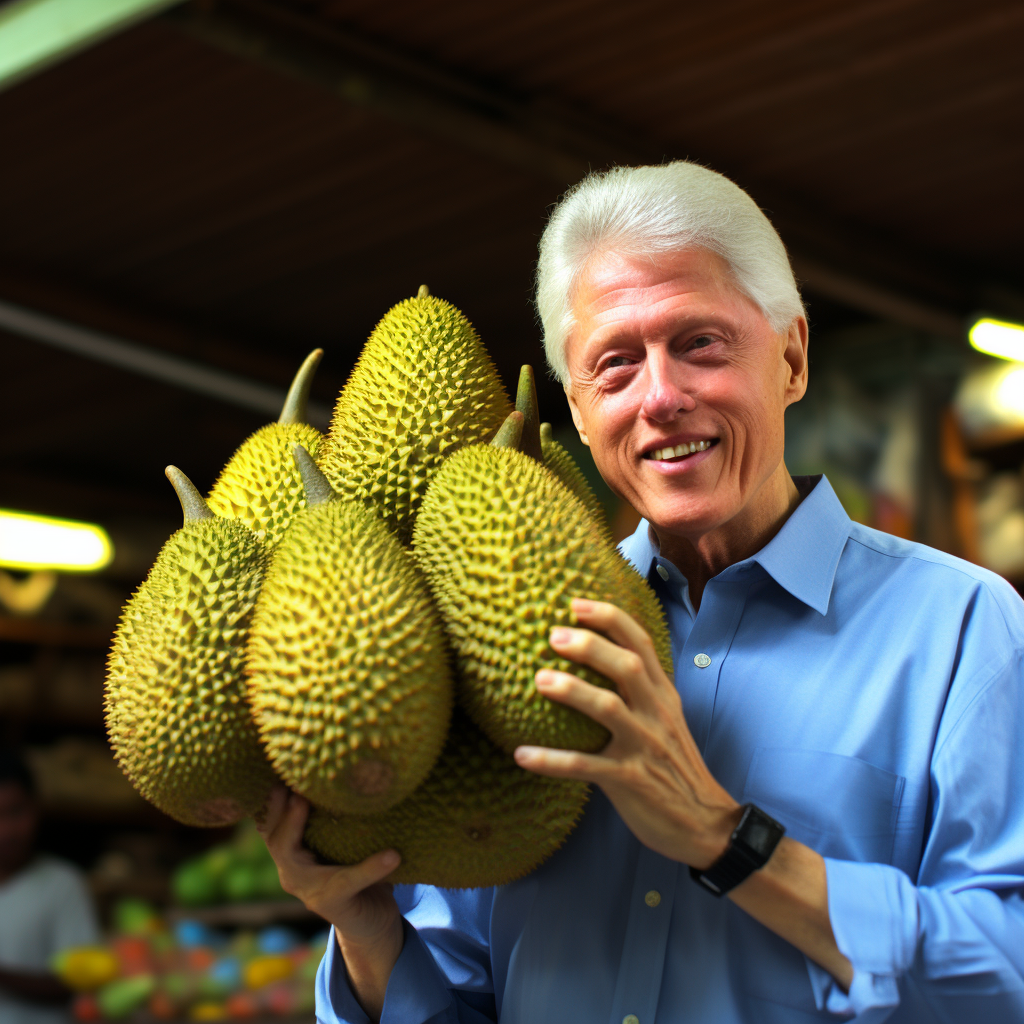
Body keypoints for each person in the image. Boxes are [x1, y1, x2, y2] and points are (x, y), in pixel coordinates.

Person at [258, 161, 1024, 1022]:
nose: (659, 397)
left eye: (700, 343)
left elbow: (1007, 975)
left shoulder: (962, 628)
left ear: (793, 358)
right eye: (615, 365)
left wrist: (727, 839)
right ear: (581, 415)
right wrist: (365, 931)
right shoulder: (498, 634)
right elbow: (459, 990)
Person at [0, 751, 100, 1024]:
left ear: (36, 808)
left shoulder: (64, 885)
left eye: (16, 811)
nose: (7, 829)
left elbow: (77, 986)